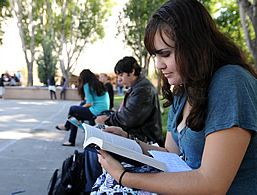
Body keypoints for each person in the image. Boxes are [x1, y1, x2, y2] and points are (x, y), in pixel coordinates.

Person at [92, 0, 257, 194]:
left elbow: (211, 184)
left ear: (196, 46)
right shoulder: (183, 90)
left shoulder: (231, 81)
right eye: (155, 56)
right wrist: (127, 140)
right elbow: (172, 155)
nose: (159, 65)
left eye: (166, 54)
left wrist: (123, 177)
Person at [83, 56, 164, 193]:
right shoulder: (138, 87)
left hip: (144, 139)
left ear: (131, 72)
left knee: (96, 150)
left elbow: (129, 118)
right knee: (93, 145)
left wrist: (107, 120)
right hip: (134, 134)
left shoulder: (143, 89)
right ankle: (90, 186)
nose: (119, 79)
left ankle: (90, 188)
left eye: (121, 75)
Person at [56, 69, 110, 146]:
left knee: (73, 109)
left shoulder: (87, 85)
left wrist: (80, 108)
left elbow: (90, 103)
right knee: (75, 116)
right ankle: (71, 140)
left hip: (95, 112)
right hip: (103, 111)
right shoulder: (98, 84)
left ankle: (66, 126)